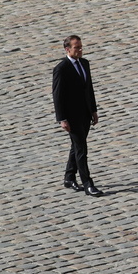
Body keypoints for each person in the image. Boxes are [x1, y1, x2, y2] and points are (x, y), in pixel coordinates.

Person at [52, 35, 103, 196]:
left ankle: (69, 177)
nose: (80, 50)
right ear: (68, 49)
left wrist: (93, 110)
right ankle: (88, 184)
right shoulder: (61, 69)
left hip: (85, 114)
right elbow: (57, 95)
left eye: (81, 47)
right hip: (71, 116)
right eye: (77, 48)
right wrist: (62, 119)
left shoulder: (85, 63)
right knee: (81, 149)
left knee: (77, 146)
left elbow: (89, 88)